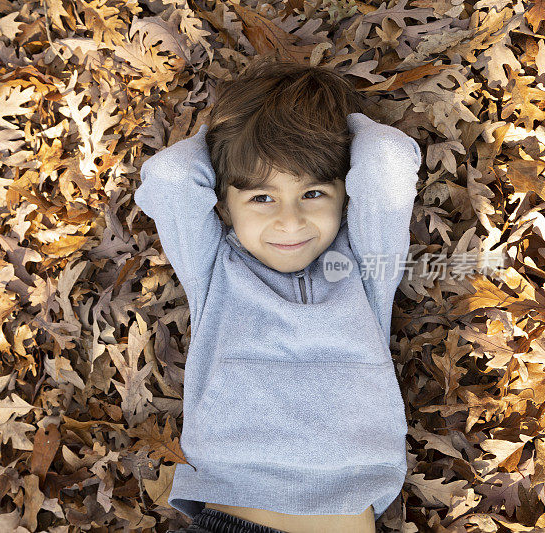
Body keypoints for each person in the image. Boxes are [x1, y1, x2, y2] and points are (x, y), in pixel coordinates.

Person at [133, 54, 422, 533]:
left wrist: (341, 130)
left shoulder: (366, 266)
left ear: (344, 196)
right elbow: (169, 179)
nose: (290, 222)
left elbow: (387, 162)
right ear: (224, 203)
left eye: (313, 194)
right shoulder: (213, 269)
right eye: (261, 197)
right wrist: (227, 142)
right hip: (230, 512)